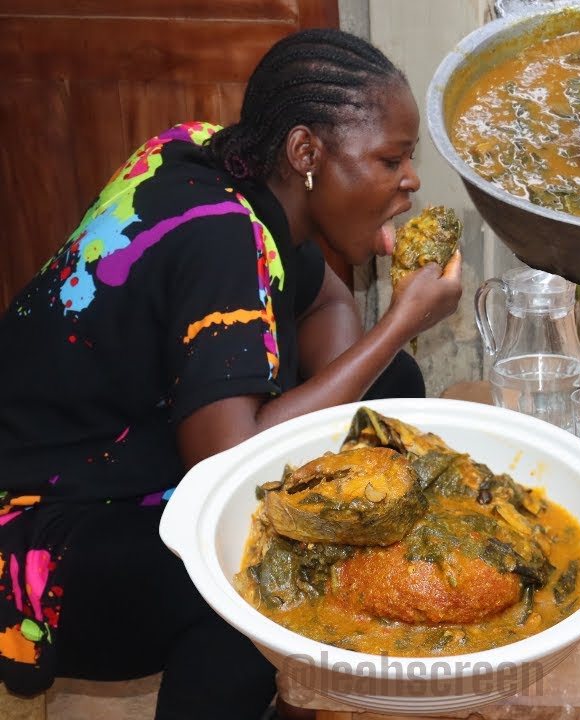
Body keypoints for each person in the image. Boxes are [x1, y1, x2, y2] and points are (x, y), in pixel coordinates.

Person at [0, 28, 462, 719]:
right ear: (306, 153)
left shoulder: (229, 157)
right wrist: (399, 323)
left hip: (135, 445)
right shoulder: (221, 237)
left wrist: (347, 417)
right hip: (39, 525)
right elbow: (226, 465)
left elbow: (325, 294)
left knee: (388, 389)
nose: (411, 180)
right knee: (239, 584)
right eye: (390, 159)